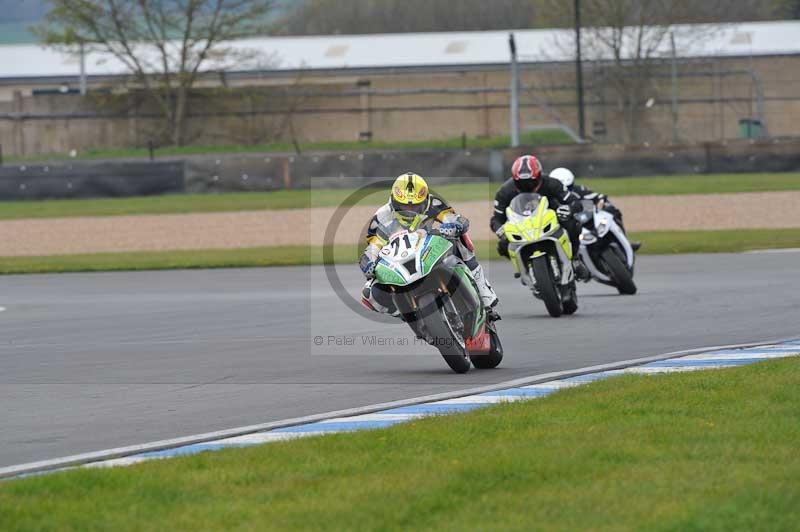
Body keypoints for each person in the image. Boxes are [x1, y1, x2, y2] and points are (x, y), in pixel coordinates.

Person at [359, 172, 500, 320]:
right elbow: (373, 247)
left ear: (424, 200)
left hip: (429, 247)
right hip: (400, 258)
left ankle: (483, 291)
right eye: (404, 205)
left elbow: (455, 219)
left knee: (460, 238)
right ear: (394, 201)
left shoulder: (433, 203)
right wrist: (368, 262)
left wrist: (454, 225)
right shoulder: (381, 216)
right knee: (369, 293)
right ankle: (405, 312)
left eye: (415, 206)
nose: (410, 209)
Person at [490, 155, 589, 279]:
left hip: (550, 218)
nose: (527, 186)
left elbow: (574, 201)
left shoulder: (551, 183)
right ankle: (523, 268)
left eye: (531, 181)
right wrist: (499, 229)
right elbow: (496, 218)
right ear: (515, 180)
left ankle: (575, 259)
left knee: (573, 223)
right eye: (521, 183)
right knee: (503, 245)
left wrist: (569, 209)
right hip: (521, 225)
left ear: (539, 176)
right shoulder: (505, 191)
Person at [549, 167, 640, 250]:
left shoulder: (579, 189)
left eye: (569, 187)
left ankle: (624, 242)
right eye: (562, 188)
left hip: (585, 219)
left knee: (612, 210)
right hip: (568, 226)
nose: (566, 191)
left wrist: (601, 201)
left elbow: (597, 196)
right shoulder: (550, 199)